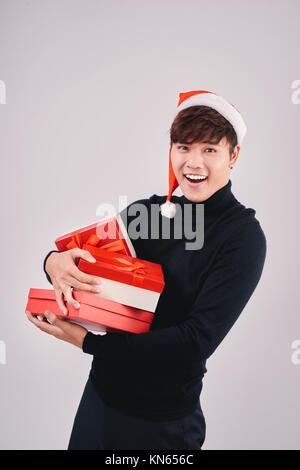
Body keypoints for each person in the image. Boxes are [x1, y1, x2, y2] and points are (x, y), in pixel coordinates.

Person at [25, 90, 267, 450]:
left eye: (209, 150)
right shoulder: (148, 215)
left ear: (234, 156)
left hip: (161, 423)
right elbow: (78, 258)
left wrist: (88, 342)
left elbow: (193, 342)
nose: (193, 163)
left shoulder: (242, 236)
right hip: (99, 401)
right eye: (183, 147)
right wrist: (52, 261)